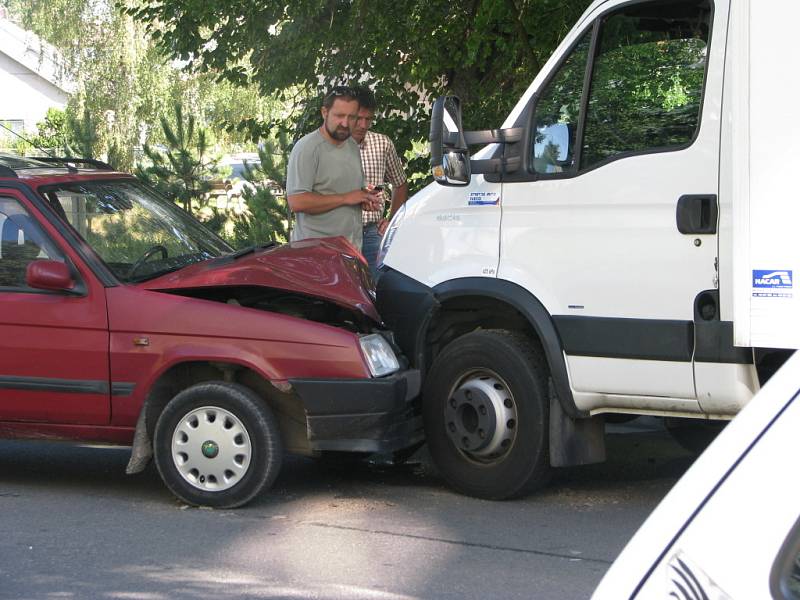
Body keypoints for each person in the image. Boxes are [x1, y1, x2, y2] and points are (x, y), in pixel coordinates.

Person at [286, 86, 381, 249]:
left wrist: (364, 198)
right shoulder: (307, 148)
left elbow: (348, 192)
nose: (345, 123)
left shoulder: (351, 145)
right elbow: (297, 201)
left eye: (351, 117)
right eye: (339, 116)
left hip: (351, 251)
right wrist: (346, 198)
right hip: (315, 253)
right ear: (325, 112)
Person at [351, 86, 408, 279]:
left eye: (369, 119)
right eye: (359, 118)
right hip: (340, 233)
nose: (363, 125)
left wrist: (391, 220)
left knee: (380, 289)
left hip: (371, 232)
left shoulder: (382, 144)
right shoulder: (332, 146)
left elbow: (400, 183)